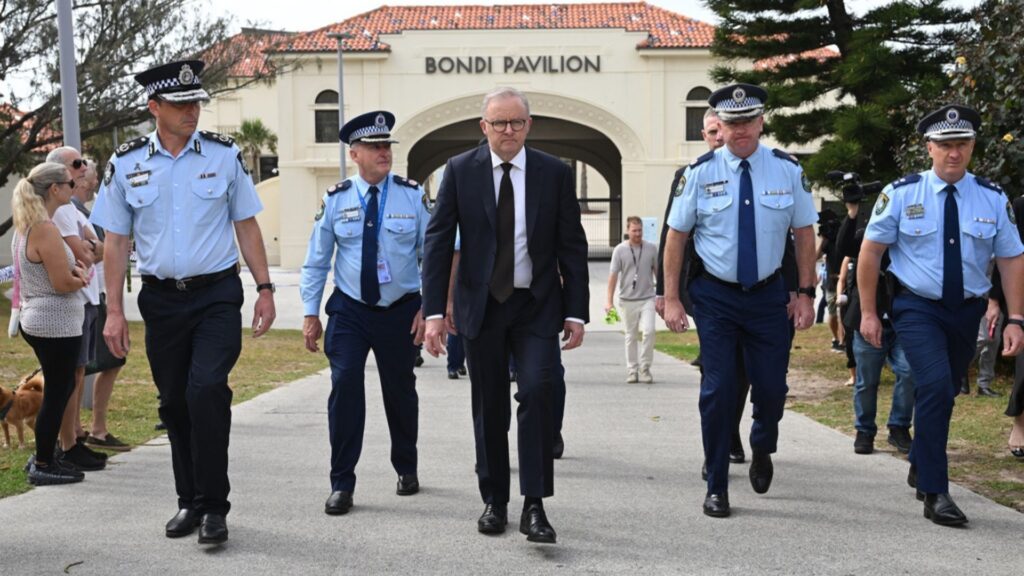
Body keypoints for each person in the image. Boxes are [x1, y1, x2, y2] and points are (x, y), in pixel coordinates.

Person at [91, 59, 276, 545]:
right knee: (174, 402)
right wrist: (113, 310)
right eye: (180, 104)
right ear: (155, 107)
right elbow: (114, 241)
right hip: (160, 301)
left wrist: (264, 288)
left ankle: (215, 508)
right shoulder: (126, 163)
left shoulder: (223, 155)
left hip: (216, 294)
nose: (192, 111)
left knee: (207, 390)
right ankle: (188, 501)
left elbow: (246, 224)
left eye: (196, 102)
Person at [421, 87, 589, 544]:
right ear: (484, 127)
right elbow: (437, 244)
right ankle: (495, 499)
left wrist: (576, 311)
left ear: (528, 125)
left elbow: (572, 246)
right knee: (489, 405)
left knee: (538, 390)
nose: (508, 131)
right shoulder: (459, 171)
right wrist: (434, 311)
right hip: (482, 306)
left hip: (536, 305)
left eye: (516, 122)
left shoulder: (554, 173)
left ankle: (535, 505)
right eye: (499, 123)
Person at [858, 104, 1024, 526]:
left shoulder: (991, 197)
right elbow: (871, 253)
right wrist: (869, 313)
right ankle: (935, 490)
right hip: (916, 306)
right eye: (945, 145)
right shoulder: (901, 193)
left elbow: (1011, 259)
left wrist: (1016, 318)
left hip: (965, 310)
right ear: (929, 147)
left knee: (946, 390)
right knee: (932, 383)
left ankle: (919, 457)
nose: (954, 153)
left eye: (962, 144)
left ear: (972, 147)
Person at [663, 83, 818, 518]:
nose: (740, 130)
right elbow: (676, 237)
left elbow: (804, 233)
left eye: (748, 120)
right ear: (718, 126)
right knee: (718, 388)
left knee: (771, 388)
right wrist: (671, 297)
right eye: (731, 123)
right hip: (716, 296)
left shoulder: (787, 171)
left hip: (769, 295)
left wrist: (805, 293)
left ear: (761, 121)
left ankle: (762, 444)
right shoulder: (699, 172)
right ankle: (716, 483)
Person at [300, 110, 428, 516]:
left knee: (400, 391)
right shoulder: (336, 199)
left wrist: (431, 307)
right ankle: (342, 483)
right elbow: (317, 260)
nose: (383, 152)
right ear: (354, 153)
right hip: (351, 310)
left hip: (401, 310)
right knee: (345, 386)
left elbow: (435, 254)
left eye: (387, 146)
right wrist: (309, 312)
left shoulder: (412, 195)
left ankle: (406, 467)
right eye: (374, 147)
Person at [657, 109, 749, 466]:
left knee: (743, 370)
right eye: (713, 132)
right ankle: (716, 441)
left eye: (721, 131)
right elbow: (672, 235)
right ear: (705, 133)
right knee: (716, 367)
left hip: (754, 287)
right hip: (705, 286)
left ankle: (731, 430)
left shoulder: (765, 169)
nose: (719, 138)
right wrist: (666, 293)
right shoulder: (691, 174)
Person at [10, 162, 90, 485]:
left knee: (62, 386)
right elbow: (61, 282)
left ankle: (46, 454)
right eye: (70, 182)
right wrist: (81, 276)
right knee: (58, 390)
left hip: (42, 319)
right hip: (53, 322)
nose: (75, 186)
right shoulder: (44, 228)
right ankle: (43, 460)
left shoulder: (28, 225)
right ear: (54, 189)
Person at [46, 148, 109, 473]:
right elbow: (87, 254)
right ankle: (67, 444)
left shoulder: (73, 209)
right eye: (77, 164)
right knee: (69, 376)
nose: (84, 167)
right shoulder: (60, 211)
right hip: (73, 302)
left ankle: (73, 438)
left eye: (83, 162)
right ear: (58, 173)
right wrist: (94, 249)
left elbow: (99, 246)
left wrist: (95, 249)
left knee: (77, 373)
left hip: (87, 299)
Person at [834, 201, 915, 456]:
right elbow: (843, 248)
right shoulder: (867, 234)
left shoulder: (912, 239)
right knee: (866, 381)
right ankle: (864, 431)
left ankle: (899, 427)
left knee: (909, 371)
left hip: (903, 320)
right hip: (868, 318)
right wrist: (852, 213)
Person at [75, 159, 130, 450]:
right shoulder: (69, 211)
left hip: (99, 296)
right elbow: (91, 251)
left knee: (110, 360)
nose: (94, 183)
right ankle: (82, 431)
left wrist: (109, 248)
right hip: (86, 299)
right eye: (92, 178)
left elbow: (103, 247)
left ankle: (92, 428)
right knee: (83, 365)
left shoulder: (90, 210)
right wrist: (111, 248)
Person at [608, 216, 658, 383]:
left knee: (649, 331)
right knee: (631, 335)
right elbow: (613, 276)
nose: (637, 233)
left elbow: (658, 273)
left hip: (648, 297)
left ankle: (645, 367)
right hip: (627, 299)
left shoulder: (651, 249)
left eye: (640, 230)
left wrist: (663, 296)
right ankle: (632, 370)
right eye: (634, 230)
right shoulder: (620, 250)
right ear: (627, 230)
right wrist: (609, 301)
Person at [961, 271, 1003, 398]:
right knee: (984, 337)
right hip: (980, 296)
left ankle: (984, 385)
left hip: (1000, 298)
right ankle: (959, 367)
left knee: (994, 341)